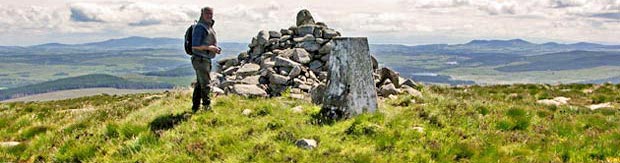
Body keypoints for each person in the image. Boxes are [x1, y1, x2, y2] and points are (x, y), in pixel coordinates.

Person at [191, 6, 221, 112]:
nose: (209, 16)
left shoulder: (208, 26)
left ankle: (195, 107)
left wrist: (214, 49)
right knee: (206, 84)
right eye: (207, 13)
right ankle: (207, 107)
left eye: (211, 14)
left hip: (205, 59)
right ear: (202, 14)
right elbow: (194, 45)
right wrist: (210, 48)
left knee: (200, 84)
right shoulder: (200, 27)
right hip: (200, 59)